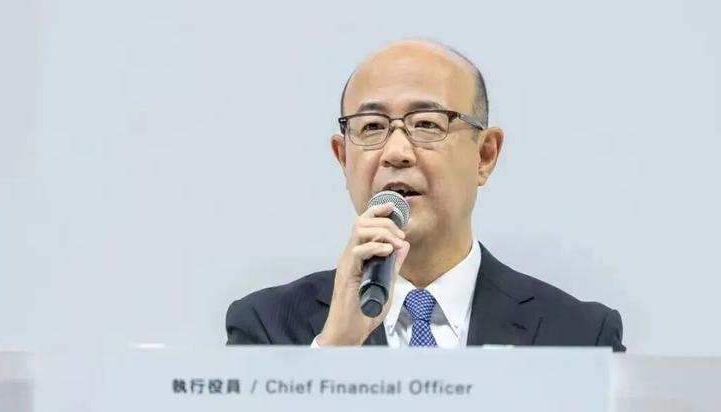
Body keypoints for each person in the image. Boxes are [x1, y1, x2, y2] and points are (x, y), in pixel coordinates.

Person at [225, 39, 625, 351]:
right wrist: (336, 347)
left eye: (427, 124)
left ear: (485, 155)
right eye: (371, 127)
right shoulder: (266, 328)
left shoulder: (578, 337)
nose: (396, 152)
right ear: (343, 157)